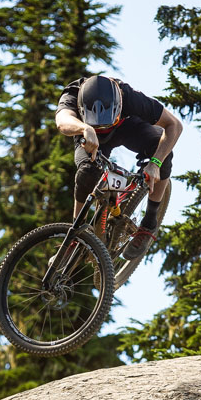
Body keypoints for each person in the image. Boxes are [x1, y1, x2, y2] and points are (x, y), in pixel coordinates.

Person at [55, 74, 183, 260]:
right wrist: (86, 129)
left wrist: (155, 163)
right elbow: (62, 122)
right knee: (87, 172)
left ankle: (148, 224)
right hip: (89, 135)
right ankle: (75, 234)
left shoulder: (130, 97)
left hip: (127, 127)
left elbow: (174, 125)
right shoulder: (73, 94)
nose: (104, 127)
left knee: (162, 152)